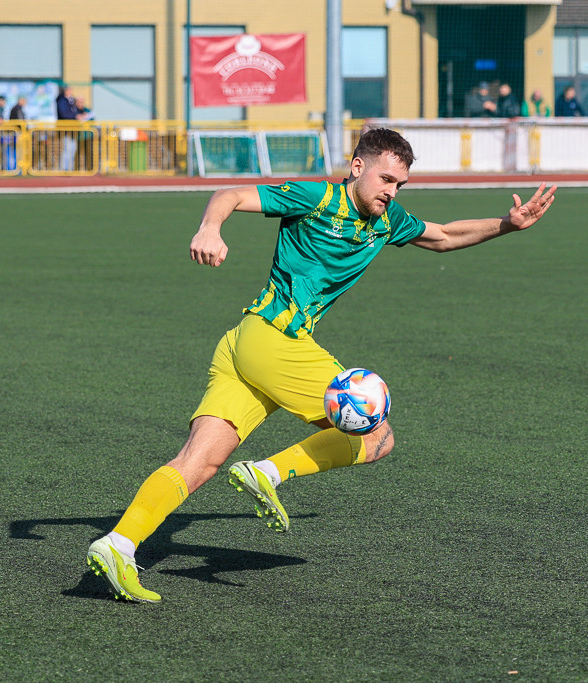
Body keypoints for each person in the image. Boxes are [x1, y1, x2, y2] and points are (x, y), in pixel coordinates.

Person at [85, 127, 557, 603]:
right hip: (276, 340)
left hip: (243, 345)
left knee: (199, 461)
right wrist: (210, 228)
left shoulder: (387, 220)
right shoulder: (316, 198)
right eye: (386, 179)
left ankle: (118, 543)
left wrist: (507, 224)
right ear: (358, 167)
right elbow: (230, 194)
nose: (392, 192)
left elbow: (444, 236)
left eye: (400, 184)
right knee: (376, 436)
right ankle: (268, 473)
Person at [56, 86, 88, 171]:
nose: (71, 92)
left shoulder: (72, 100)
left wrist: (82, 113)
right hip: (66, 129)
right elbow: (64, 114)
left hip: (74, 129)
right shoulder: (62, 100)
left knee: (73, 149)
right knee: (67, 149)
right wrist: (76, 116)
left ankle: (70, 168)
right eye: (69, 90)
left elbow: (75, 111)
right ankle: (65, 169)